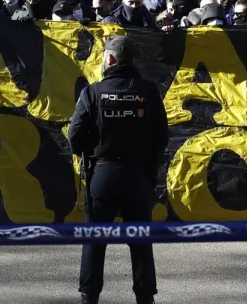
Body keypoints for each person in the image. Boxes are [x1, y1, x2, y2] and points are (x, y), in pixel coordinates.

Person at [68, 35, 168, 304]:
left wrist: (89, 150)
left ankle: (89, 296)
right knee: (140, 241)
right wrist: (149, 166)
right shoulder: (149, 91)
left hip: (103, 173)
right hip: (138, 174)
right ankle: (145, 297)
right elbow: (161, 136)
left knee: (95, 240)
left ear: (110, 59)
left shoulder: (93, 92)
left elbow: (74, 136)